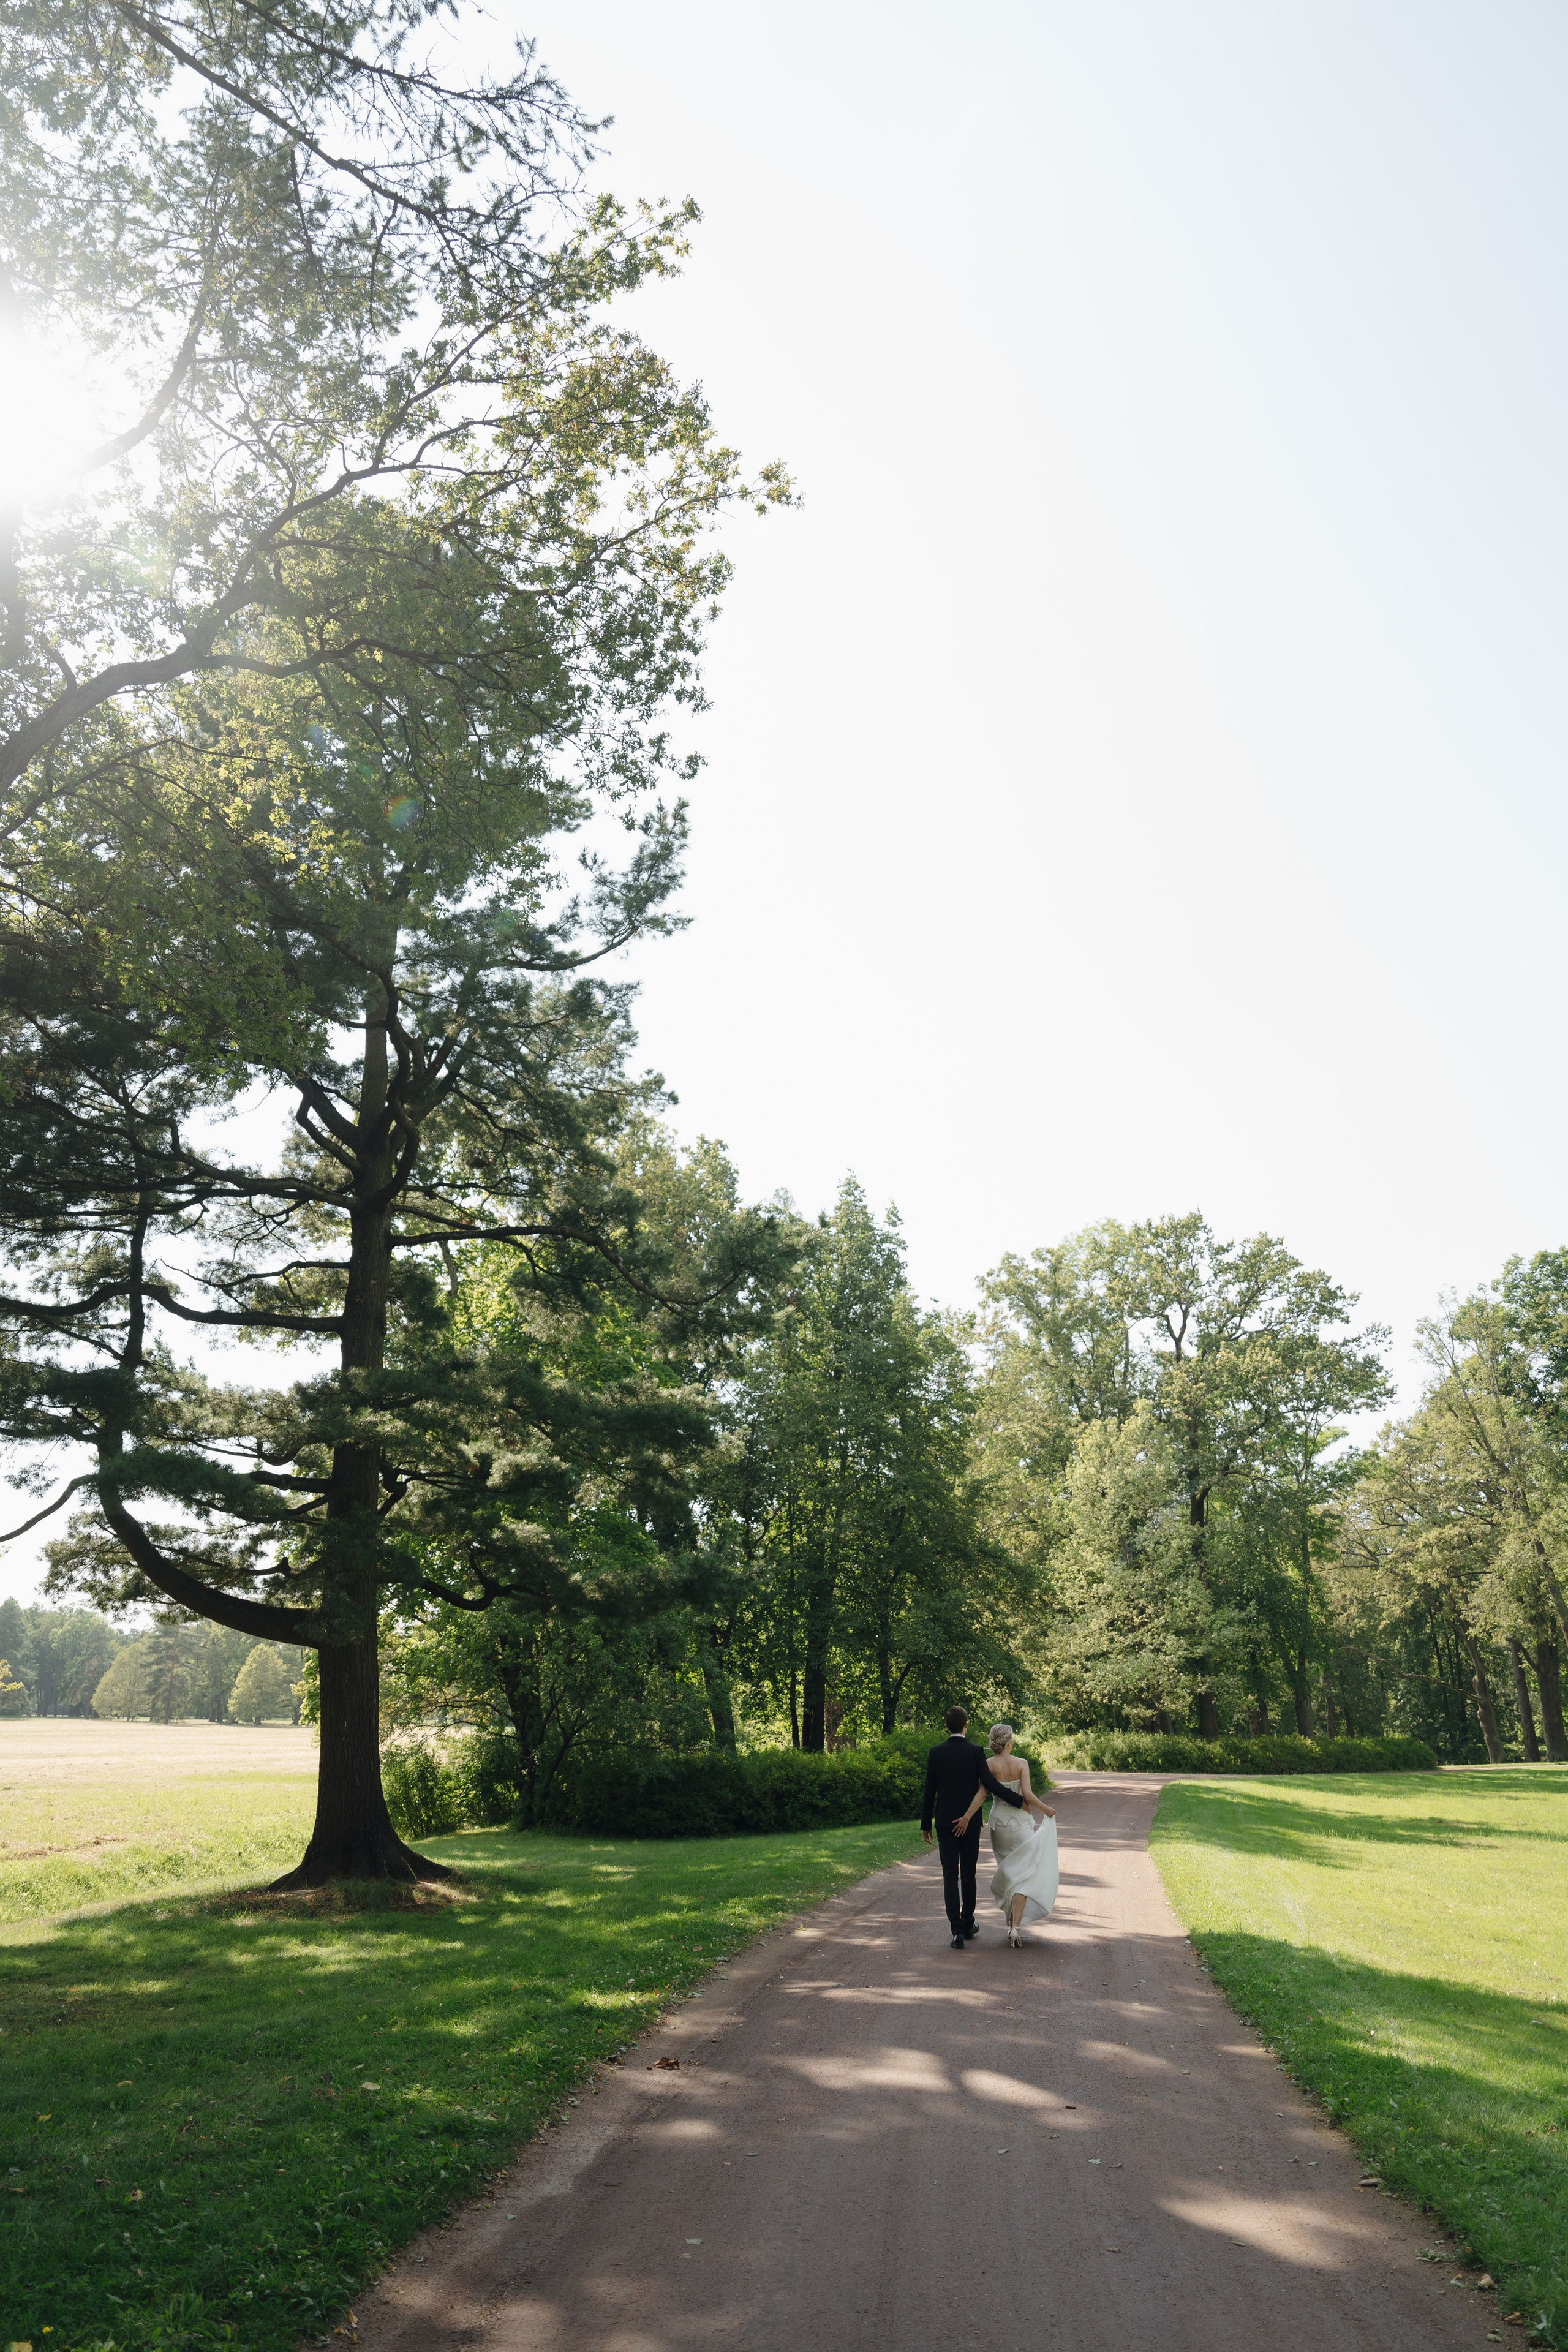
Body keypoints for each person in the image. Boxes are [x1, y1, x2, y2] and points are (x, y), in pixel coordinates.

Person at [921, 1704, 1025, 1947]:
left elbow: (930, 1790)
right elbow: (990, 1785)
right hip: (970, 1822)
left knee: (949, 1874)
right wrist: (1019, 1801)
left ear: (946, 1726)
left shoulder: (935, 1752)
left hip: (946, 1822)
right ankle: (968, 1923)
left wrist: (926, 1823)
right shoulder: (976, 1751)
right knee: (969, 1872)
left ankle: (956, 1931)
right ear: (966, 1725)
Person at [954, 1722, 1057, 1948]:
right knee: (1023, 1876)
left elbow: (982, 1794)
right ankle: (1015, 1928)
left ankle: (1011, 1923)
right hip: (1020, 1824)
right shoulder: (1021, 1763)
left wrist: (967, 1817)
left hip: (998, 1824)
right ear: (1009, 1741)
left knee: (1010, 1873)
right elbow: (1028, 1796)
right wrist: (1045, 1809)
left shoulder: (989, 1764)